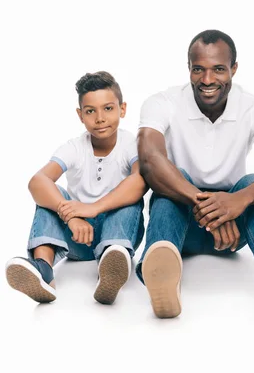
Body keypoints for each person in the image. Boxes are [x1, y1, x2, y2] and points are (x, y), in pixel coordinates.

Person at [136, 29, 254, 320]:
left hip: (234, 229)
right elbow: (149, 159)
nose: (207, 80)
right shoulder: (162, 102)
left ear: (234, 68)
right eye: (199, 70)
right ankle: (163, 284)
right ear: (189, 69)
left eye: (218, 69)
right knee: (170, 180)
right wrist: (207, 205)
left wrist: (237, 202)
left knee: (249, 183)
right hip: (181, 221)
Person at [5, 71, 147, 305]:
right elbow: (37, 181)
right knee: (51, 194)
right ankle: (43, 270)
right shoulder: (74, 147)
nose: (100, 118)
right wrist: (71, 217)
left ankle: (110, 266)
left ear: (123, 109)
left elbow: (141, 180)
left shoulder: (131, 144)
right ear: (81, 115)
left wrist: (93, 208)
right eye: (91, 111)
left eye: (108, 108)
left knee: (130, 197)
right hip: (78, 237)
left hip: (119, 233)